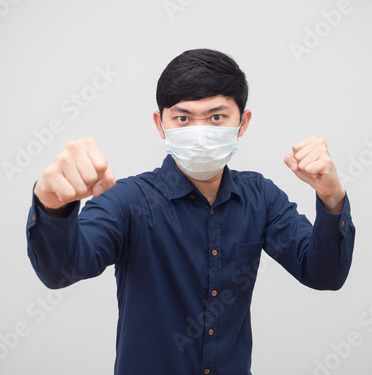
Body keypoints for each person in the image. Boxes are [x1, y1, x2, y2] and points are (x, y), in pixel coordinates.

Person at [26, 48, 355, 375]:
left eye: (216, 117)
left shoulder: (260, 198)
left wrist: (331, 196)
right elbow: (61, 271)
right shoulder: (128, 201)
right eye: (183, 118)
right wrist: (53, 203)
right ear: (161, 124)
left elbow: (323, 273)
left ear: (242, 122)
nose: (200, 132)